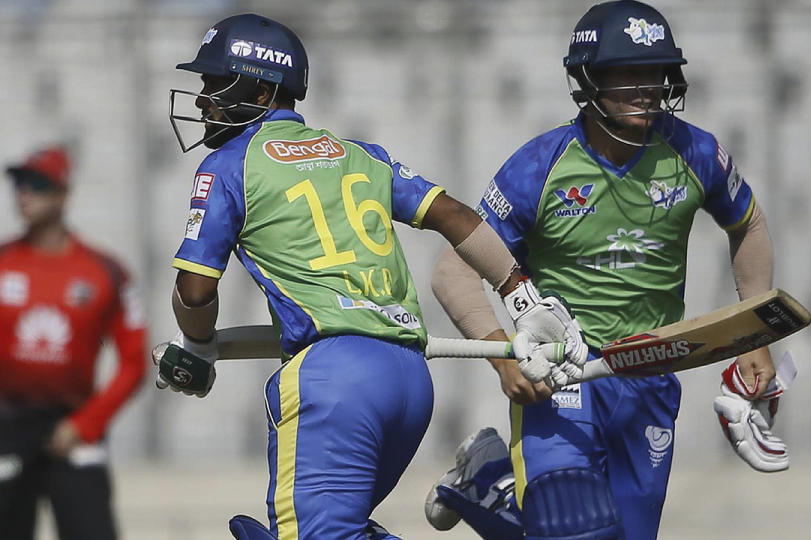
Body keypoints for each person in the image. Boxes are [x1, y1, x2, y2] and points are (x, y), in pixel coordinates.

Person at [154, 13, 587, 540]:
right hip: (409, 380)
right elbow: (454, 215)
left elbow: (195, 290)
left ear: (263, 89)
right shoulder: (358, 153)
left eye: (215, 84)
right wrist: (521, 294)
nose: (203, 100)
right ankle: (486, 492)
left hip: (335, 383)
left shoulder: (228, 165)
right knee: (341, 530)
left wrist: (197, 346)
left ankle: (490, 486)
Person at [427, 2, 785, 539]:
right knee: (571, 528)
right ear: (587, 79)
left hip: (651, 373)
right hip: (566, 373)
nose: (647, 88)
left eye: (657, 73)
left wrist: (755, 336)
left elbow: (749, 225)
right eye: (629, 74)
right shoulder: (539, 166)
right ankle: (495, 475)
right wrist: (504, 360)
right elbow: (453, 269)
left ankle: (488, 477)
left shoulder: (696, 151)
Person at [0, 146, 148, 540]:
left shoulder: (105, 271)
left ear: (64, 193)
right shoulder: (2, 263)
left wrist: (84, 424)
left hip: (74, 427)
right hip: (7, 426)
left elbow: (134, 362)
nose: (24, 194)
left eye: (37, 184)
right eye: (18, 183)